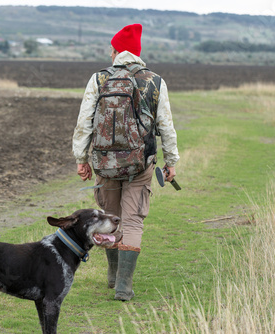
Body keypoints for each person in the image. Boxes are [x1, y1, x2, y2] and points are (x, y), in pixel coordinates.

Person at [72, 23, 179, 301]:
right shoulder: (154, 81)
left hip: (105, 164)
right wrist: (171, 161)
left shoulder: (98, 79)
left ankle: (112, 274)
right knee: (132, 222)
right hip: (140, 164)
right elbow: (166, 125)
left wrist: (81, 159)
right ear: (138, 53)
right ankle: (123, 286)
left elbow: (84, 122)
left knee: (110, 217)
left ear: (116, 50)